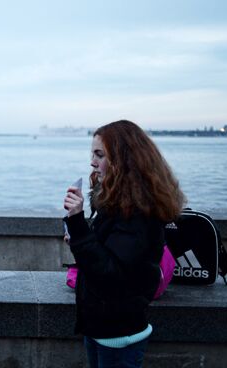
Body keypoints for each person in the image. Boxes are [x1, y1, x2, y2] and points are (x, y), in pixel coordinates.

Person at [62, 120, 185, 368]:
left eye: (99, 154)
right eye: (92, 154)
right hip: (102, 328)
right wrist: (80, 233)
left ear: (123, 159)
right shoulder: (118, 204)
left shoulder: (138, 214)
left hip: (118, 335)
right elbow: (108, 254)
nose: (92, 162)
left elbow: (110, 273)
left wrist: (77, 224)